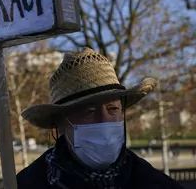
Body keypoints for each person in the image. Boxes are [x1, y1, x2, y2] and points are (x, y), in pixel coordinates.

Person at [16, 47, 183, 189]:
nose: (104, 120)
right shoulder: (25, 184)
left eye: (113, 109)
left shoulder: (155, 183)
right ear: (60, 124)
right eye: (89, 111)